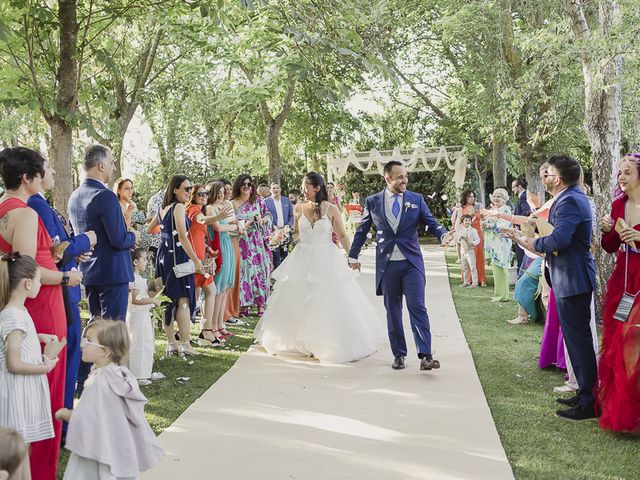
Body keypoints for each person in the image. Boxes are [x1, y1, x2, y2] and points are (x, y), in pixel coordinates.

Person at [0, 147, 80, 480]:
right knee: (44, 385)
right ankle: (39, 470)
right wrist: (65, 276)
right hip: (41, 305)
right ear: (26, 177)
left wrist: (53, 252)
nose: (48, 172)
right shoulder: (26, 213)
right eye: (43, 169)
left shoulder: (5, 208)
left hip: (26, 304)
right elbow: (26, 269)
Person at [255, 172, 386, 363]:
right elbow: (297, 234)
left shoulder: (331, 209)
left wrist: (352, 257)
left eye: (305, 187)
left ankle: (325, 342)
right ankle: (299, 342)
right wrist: (281, 237)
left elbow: (342, 235)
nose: (302, 190)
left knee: (327, 298)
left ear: (316, 188)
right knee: (299, 297)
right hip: (302, 257)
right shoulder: (298, 208)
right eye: (302, 186)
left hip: (326, 257)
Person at [505, 154, 597, 421]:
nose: (543, 178)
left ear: (557, 179)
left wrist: (526, 241)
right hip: (567, 277)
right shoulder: (567, 198)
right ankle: (583, 394)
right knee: (574, 342)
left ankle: (588, 402)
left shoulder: (570, 200)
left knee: (579, 343)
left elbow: (558, 240)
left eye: (547, 174)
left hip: (573, 279)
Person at [348, 161, 453, 371]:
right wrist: (352, 256)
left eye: (406, 176)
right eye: (400, 177)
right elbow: (362, 230)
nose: (404, 180)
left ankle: (426, 355)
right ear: (388, 178)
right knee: (393, 312)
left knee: (417, 306)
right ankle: (399, 354)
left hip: (411, 263)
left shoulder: (416, 199)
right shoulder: (373, 201)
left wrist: (442, 233)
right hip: (387, 266)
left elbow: (431, 222)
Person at [26, 160, 95, 437]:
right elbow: (57, 249)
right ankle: (63, 425)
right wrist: (86, 239)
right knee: (66, 356)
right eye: (49, 167)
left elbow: (59, 248)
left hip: (65, 284)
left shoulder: (43, 203)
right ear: (35, 174)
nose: (55, 171)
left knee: (70, 354)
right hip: (59, 288)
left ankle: (64, 420)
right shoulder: (37, 205)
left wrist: (72, 249)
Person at [56, 320, 163, 479]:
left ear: (104, 351)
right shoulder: (121, 375)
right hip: (115, 443)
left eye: (89, 341)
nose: (82, 344)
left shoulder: (98, 382)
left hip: (95, 450)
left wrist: (65, 414)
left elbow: (87, 417)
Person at [0, 253, 59, 480]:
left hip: (21, 394)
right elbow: (14, 363)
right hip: (15, 395)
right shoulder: (14, 316)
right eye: (39, 280)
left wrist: (38, 336)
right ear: (27, 284)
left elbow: (18, 341)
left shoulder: (18, 312)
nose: (40, 285)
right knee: (15, 453)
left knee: (22, 450)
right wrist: (45, 367)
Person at [68, 145, 140, 322]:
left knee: (97, 329)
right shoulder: (105, 196)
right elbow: (119, 239)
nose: (113, 167)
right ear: (101, 166)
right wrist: (134, 236)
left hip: (89, 273)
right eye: (111, 162)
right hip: (113, 274)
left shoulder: (75, 196)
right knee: (112, 333)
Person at [598, 153, 640, 433]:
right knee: (618, 342)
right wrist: (606, 232)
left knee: (634, 340)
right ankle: (625, 412)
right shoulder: (617, 205)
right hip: (623, 280)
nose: (621, 177)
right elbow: (610, 247)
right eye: (619, 173)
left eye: (627, 172)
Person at [148, 175, 204, 357]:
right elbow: (182, 236)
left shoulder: (162, 208)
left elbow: (150, 229)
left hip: (163, 256)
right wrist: (196, 261)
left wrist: (165, 234)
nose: (189, 193)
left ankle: (171, 343)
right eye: (186, 189)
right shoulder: (178, 207)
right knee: (183, 300)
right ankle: (185, 344)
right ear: (175, 190)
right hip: (177, 257)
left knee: (167, 300)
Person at [231, 174, 272, 317]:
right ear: (238, 186)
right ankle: (244, 305)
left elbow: (268, 215)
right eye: (244, 184)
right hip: (242, 242)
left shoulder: (258, 200)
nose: (247, 187)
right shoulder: (233, 203)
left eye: (249, 184)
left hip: (257, 242)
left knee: (260, 271)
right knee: (244, 272)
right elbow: (229, 223)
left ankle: (261, 303)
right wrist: (243, 224)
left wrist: (262, 220)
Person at [207, 182, 241, 344]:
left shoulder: (224, 207)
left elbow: (229, 228)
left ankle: (220, 324)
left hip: (228, 243)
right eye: (218, 192)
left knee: (226, 287)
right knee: (219, 287)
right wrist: (232, 225)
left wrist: (237, 227)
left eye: (223, 192)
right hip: (219, 246)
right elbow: (218, 228)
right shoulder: (210, 208)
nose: (222, 195)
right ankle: (212, 326)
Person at [127, 249, 162, 385]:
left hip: (143, 315)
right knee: (138, 343)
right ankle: (137, 374)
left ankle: (145, 372)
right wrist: (152, 301)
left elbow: (143, 296)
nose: (147, 262)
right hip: (137, 316)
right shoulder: (133, 279)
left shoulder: (140, 278)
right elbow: (134, 299)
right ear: (136, 262)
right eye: (145, 259)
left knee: (147, 343)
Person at [482, 188, 513, 302]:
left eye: (499, 196)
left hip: (502, 243)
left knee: (501, 267)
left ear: (504, 199)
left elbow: (503, 226)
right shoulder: (493, 210)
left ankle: (503, 296)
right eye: (494, 196)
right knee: (496, 268)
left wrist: (489, 225)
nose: (496, 198)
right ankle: (498, 294)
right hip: (494, 243)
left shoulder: (505, 210)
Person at [455, 190, 486, 286]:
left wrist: (481, 215)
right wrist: (470, 216)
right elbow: (460, 221)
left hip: (477, 232)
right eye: (469, 197)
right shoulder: (461, 208)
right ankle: (467, 279)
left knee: (479, 255)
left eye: (473, 197)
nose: (471, 199)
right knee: (467, 254)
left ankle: (481, 279)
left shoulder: (477, 207)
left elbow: (483, 218)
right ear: (465, 198)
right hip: (467, 232)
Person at [264, 182, 294, 269]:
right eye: (274, 188)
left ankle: (285, 274)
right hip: (273, 232)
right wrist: (273, 226)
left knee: (285, 254)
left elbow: (291, 215)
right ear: (270, 190)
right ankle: (277, 275)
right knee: (276, 255)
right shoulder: (266, 202)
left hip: (285, 231)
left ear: (280, 189)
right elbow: (265, 216)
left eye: (277, 188)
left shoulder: (286, 200)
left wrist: (288, 225)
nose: (276, 190)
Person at [512, 177, 532, 276]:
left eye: (513, 187)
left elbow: (526, 211)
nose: (512, 190)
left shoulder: (523, 197)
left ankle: (521, 276)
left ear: (519, 186)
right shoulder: (522, 196)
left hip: (522, 229)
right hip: (522, 228)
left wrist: (518, 224)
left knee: (521, 254)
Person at [458, 215, 480, 287]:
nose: (467, 222)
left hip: (470, 251)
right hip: (463, 251)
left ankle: (474, 283)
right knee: (464, 267)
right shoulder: (461, 230)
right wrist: (460, 239)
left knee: (472, 267)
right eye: (466, 220)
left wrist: (472, 243)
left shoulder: (473, 231)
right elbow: (458, 241)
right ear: (462, 222)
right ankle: (466, 282)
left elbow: (478, 240)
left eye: (469, 220)